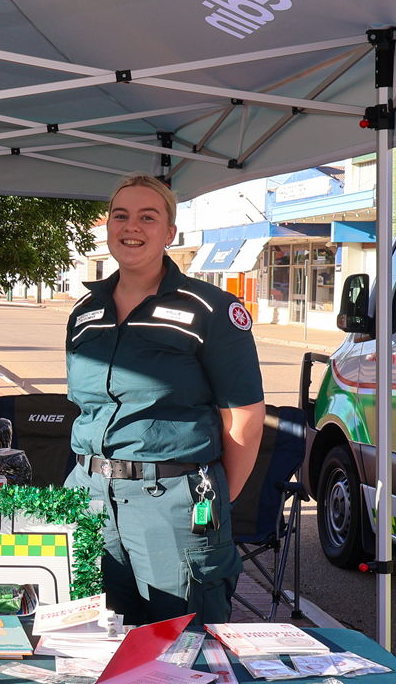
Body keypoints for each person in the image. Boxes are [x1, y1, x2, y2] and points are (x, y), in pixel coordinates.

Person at [65, 174, 265, 626]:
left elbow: (245, 419)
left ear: (170, 232)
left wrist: (210, 497)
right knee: (91, 641)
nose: (131, 227)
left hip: (172, 502)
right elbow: (86, 407)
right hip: (88, 498)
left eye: (147, 217)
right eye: (121, 215)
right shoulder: (85, 313)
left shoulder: (210, 309)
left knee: (180, 644)